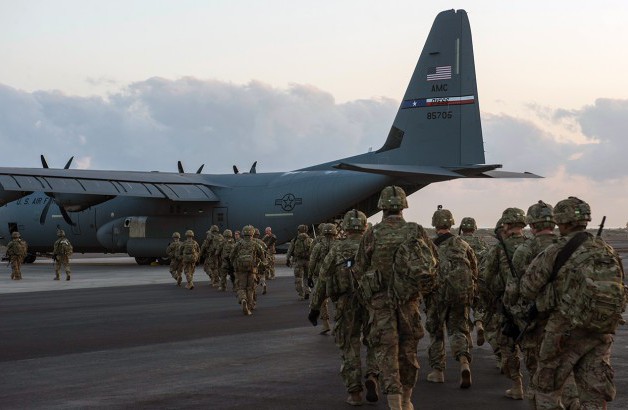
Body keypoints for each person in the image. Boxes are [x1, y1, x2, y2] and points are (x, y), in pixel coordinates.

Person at [520, 197, 626, 409]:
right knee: (594, 393)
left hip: (564, 329)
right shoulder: (607, 250)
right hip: (600, 329)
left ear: (561, 222)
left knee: (546, 387)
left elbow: (528, 287)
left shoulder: (555, 251)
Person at [354, 186, 434, 410]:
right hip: (409, 302)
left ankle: (394, 403)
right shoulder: (415, 231)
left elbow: (359, 268)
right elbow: (432, 262)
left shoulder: (373, 233)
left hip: (381, 303)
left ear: (382, 207)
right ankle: (408, 400)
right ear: (403, 207)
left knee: (387, 352)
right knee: (408, 351)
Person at [511, 201, 579, 408]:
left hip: (536, 322)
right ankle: (572, 401)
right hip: (568, 319)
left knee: (540, 374)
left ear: (532, 224)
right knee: (565, 367)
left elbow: (516, 290)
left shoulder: (525, 249)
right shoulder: (571, 246)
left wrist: (512, 314)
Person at [309, 210, 379, 405]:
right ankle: (373, 374)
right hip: (371, 302)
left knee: (349, 346)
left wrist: (315, 307)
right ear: (365, 226)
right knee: (374, 341)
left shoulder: (337, 249)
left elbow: (323, 278)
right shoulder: (373, 246)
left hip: (345, 302)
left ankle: (355, 393)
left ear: (345, 227)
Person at [425, 207, 477, 388]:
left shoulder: (430, 246)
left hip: (437, 295)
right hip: (459, 294)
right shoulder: (462, 244)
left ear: (435, 224)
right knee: (458, 330)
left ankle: (438, 372)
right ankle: (464, 362)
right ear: (452, 223)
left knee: (436, 332)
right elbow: (474, 268)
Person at [480, 207, 528, 400]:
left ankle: (517, 386)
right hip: (532, 307)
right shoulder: (533, 246)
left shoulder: (499, 249)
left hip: (506, 305)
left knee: (507, 347)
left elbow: (486, 277)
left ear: (506, 225)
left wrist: (492, 300)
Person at [459, 216, 488, 346]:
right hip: (478, 279)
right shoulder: (481, 242)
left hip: (461, 280)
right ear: (474, 228)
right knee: (479, 305)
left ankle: (468, 337)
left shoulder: (457, 241)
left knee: (463, 310)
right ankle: (479, 324)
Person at [307, 222, 337, 334]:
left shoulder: (318, 246)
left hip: (320, 276)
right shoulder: (339, 245)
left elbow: (312, 262)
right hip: (335, 276)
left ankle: (325, 324)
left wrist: (309, 276)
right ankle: (338, 324)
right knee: (338, 301)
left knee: (322, 301)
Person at [229, 225, 266, 315]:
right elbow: (262, 256)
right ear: (252, 233)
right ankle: (250, 306)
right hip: (252, 268)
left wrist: (235, 264)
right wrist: (263, 265)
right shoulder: (255, 244)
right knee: (251, 288)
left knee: (241, 287)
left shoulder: (238, 243)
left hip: (240, 269)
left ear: (243, 233)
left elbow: (231, 256)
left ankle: (243, 300)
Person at [286, 224, 313, 300]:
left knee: (298, 278)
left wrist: (287, 259)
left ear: (298, 230)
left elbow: (290, 250)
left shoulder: (295, 240)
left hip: (298, 261)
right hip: (308, 261)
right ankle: (307, 290)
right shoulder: (310, 240)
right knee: (307, 277)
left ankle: (301, 294)